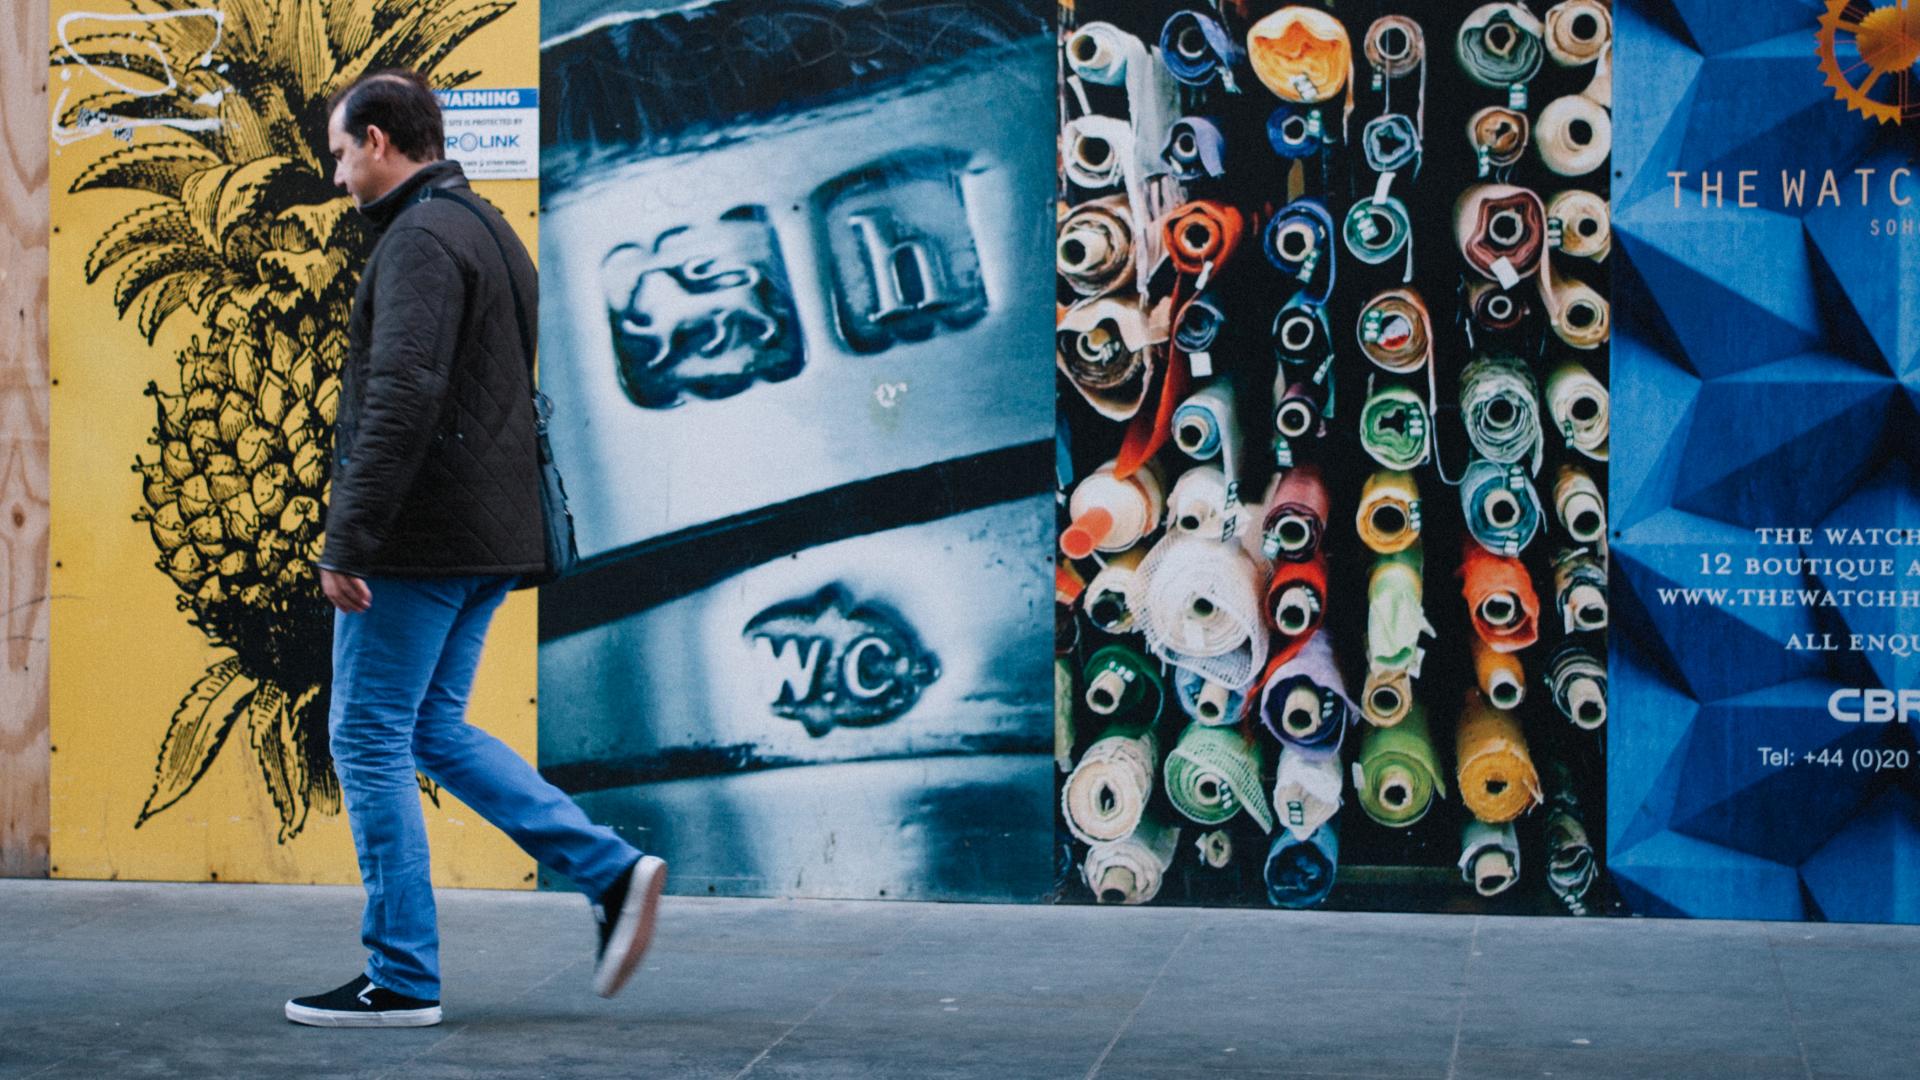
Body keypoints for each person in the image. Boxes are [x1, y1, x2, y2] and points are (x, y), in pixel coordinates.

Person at [284, 69, 665, 1029]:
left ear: (377, 140)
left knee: (367, 738)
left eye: (339, 156)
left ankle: (401, 975)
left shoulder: (417, 241)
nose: (338, 180)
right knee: (431, 730)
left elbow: (405, 392)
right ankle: (611, 871)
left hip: (419, 543)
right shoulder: (491, 231)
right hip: (491, 535)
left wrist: (350, 538)